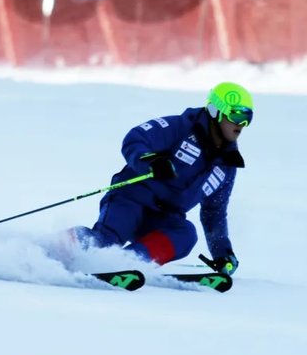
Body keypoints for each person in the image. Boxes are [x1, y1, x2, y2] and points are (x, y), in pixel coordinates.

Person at [68, 82, 253, 275]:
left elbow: (214, 213)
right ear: (215, 111)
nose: (241, 124)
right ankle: (57, 246)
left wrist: (222, 254)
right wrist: (152, 162)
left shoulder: (227, 165)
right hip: (131, 200)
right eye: (236, 115)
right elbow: (135, 138)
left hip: (163, 217)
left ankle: (128, 262)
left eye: (248, 118)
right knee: (104, 243)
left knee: (186, 234)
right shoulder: (180, 127)